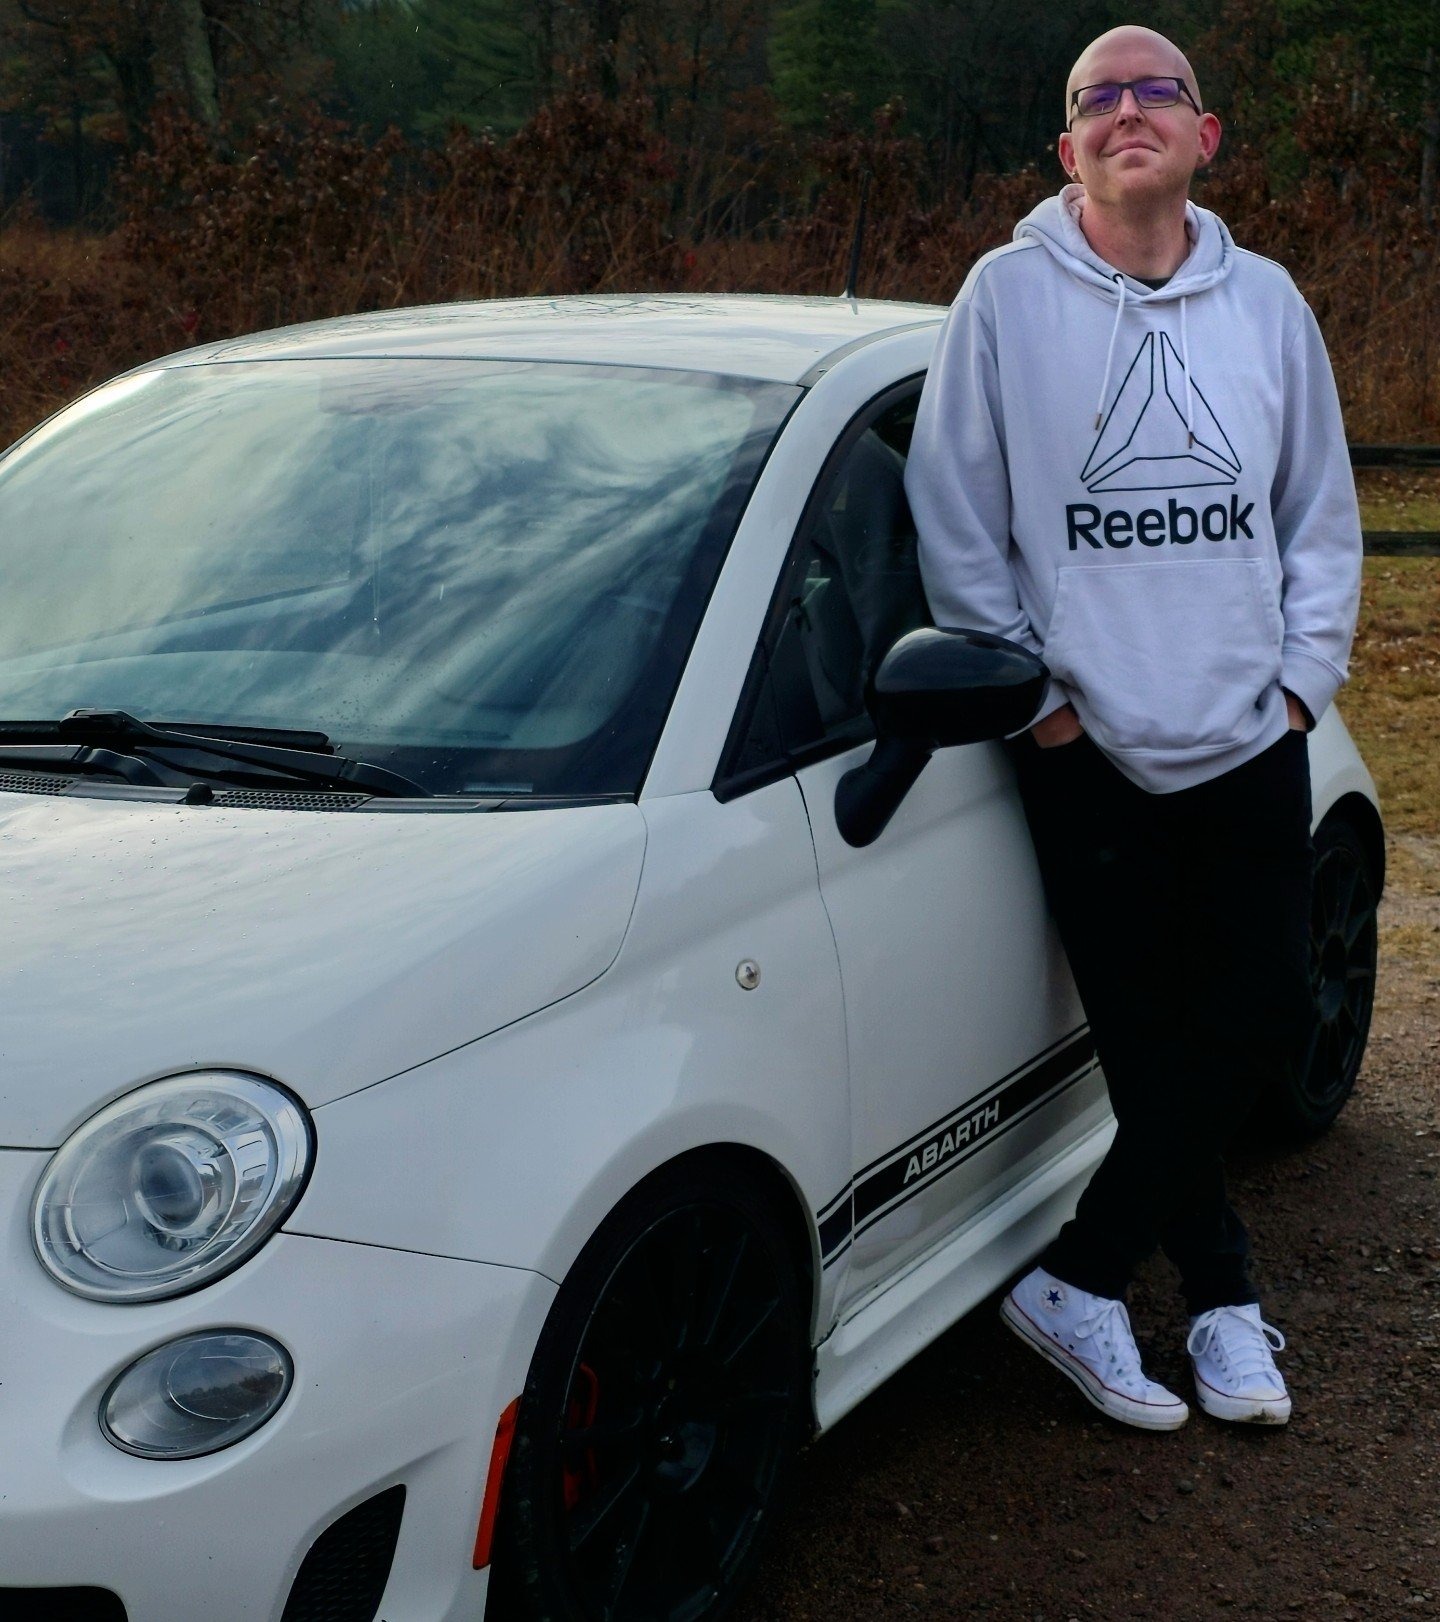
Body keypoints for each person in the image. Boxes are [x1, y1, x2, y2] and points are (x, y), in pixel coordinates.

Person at [904, 24, 1362, 1430]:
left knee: (1263, 1011)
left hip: (1246, 735)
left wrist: (1297, 688)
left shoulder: (1270, 304)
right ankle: (1220, 1301)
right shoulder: (1005, 298)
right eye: (1094, 101)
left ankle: (1081, 1275)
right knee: (1153, 1038)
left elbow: (1320, 517)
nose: (1124, 112)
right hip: (1085, 749)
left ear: (1205, 137)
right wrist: (1042, 710)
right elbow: (956, 515)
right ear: (1068, 152)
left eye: (1153, 90)